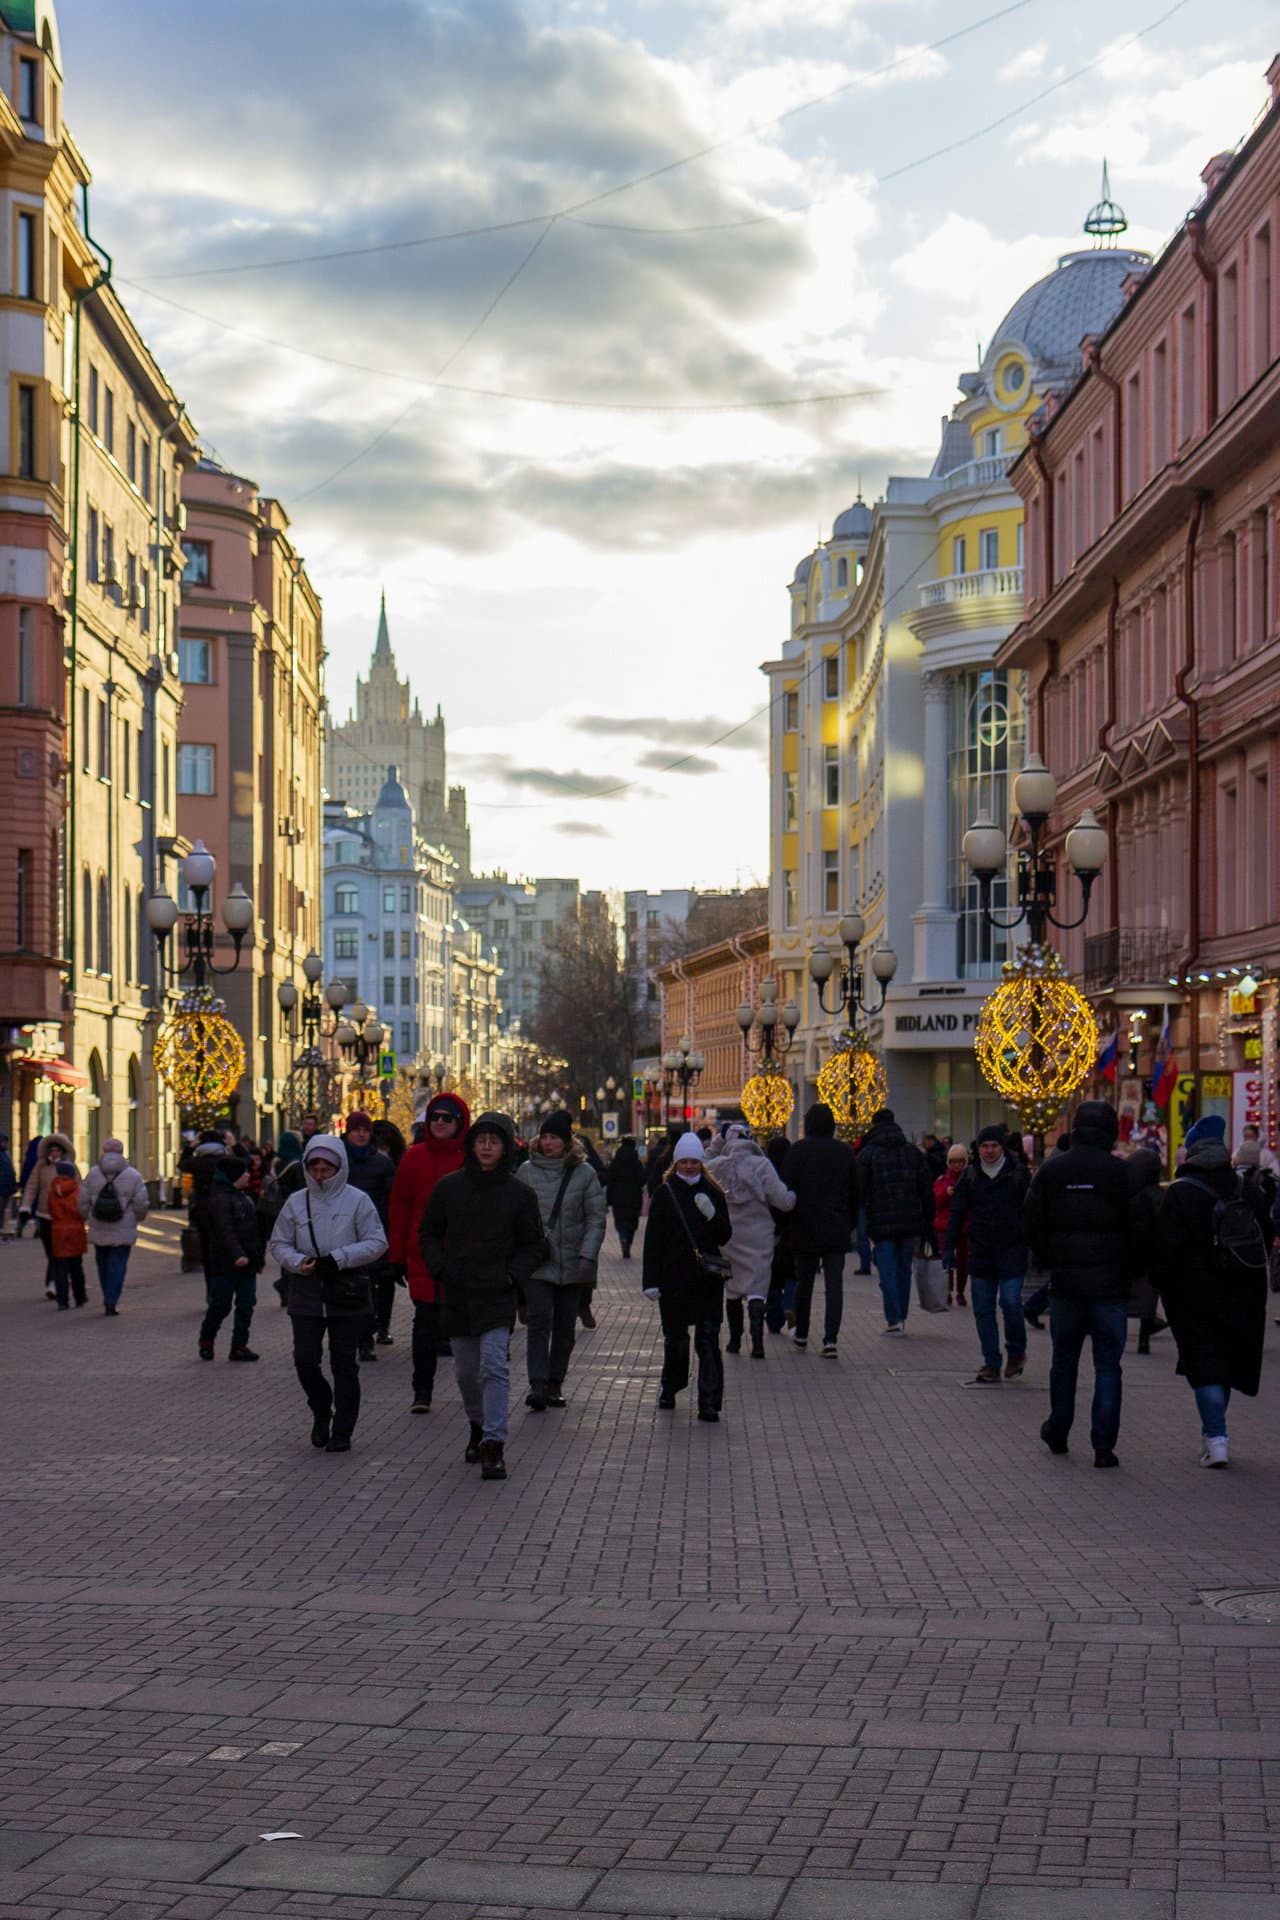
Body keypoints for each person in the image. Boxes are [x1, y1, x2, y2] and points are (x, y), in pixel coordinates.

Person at [420, 1110, 545, 1479]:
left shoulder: (519, 1194)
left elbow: (534, 1246)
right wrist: (439, 1267)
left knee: (494, 1366)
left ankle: (494, 1444)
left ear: (506, 1147)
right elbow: (428, 1232)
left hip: (496, 1293)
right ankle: (477, 1422)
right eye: (481, 1140)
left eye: (495, 1141)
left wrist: (512, 1277)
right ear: (471, 1145)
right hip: (458, 1291)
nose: (487, 1147)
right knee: (464, 1372)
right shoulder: (449, 1188)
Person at [1023, 1100, 1134, 1468]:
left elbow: (1032, 1220)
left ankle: (1058, 1429)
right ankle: (1104, 1445)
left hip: (1067, 1282)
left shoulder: (1053, 1170)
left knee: (1064, 1360)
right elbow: (1140, 1227)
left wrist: (1050, 1258)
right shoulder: (1121, 1174)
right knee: (1108, 1365)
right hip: (1110, 1285)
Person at [1153, 1137, 1272, 1468]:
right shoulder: (1246, 1188)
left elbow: (1165, 1248)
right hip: (1243, 1289)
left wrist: (1163, 1288)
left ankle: (1216, 1438)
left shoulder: (1180, 1191)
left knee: (1204, 1364)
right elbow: (1265, 1229)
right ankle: (1213, 1435)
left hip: (1194, 1293)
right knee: (1228, 1363)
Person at [270, 1135, 389, 1452]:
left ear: (339, 1167)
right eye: (315, 1168)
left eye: (327, 1168)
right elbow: (279, 1242)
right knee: (305, 1361)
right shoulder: (296, 1202)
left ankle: (343, 1430)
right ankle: (321, 1409)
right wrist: (298, 1262)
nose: (321, 1174)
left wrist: (340, 1258)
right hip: (307, 1291)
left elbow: (377, 1242)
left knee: (344, 1365)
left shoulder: (358, 1200)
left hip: (346, 1290)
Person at [515, 1110, 607, 1409]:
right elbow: (515, 1216)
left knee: (565, 1327)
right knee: (539, 1321)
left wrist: (587, 1255)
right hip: (538, 1263)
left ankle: (555, 1383)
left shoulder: (584, 1173)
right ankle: (538, 1384)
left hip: (572, 1263)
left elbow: (595, 1218)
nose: (548, 1142)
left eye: (554, 1137)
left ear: (567, 1142)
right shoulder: (526, 1171)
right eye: (544, 1136)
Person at [387, 1092, 471, 1414]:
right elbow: (399, 1209)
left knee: (461, 1327)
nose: (438, 1123)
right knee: (424, 1324)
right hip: (422, 1256)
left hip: (462, 1259)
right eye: (434, 1117)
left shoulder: (471, 1158)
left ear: (459, 1123)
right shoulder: (413, 1158)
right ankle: (422, 1390)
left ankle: (470, 1390)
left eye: (446, 1118)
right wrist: (396, 1257)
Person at [641, 1132, 732, 1420]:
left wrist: (711, 1214)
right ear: (676, 1163)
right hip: (674, 1278)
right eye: (684, 1162)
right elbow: (653, 1241)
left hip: (707, 1279)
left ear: (701, 1163)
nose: (689, 1167)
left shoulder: (713, 1192)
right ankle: (671, 1386)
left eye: (694, 1161)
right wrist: (651, 1281)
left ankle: (709, 1400)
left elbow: (724, 1234)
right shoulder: (665, 1194)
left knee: (708, 1338)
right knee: (675, 1338)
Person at [943, 1126, 1030, 1384]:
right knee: (983, 1308)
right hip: (980, 1252)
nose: (989, 1151)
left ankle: (1016, 1352)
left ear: (1003, 1148)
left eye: (994, 1146)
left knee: (1011, 1302)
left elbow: (1034, 1211)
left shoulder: (1018, 1175)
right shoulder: (970, 1177)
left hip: (1012, 1250)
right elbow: (957, 1213)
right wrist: (948, 1248)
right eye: (985, 1146)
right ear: (977, 1149)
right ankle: (992, 1361)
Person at [779, 1104, 858, 1354]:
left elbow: (785, 1189)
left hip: (803, 1226)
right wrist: (850, 1222)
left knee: (804, 1283)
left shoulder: (797, 1151)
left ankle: (802, 1333)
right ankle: (830, 1339)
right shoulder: (844, 1152)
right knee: (834, 1284)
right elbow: (856, 1191)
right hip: (836, 1226)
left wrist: (785, 1225)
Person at [711, 1124, 795, 1359]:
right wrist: (793, 1197)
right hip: (758, 1235)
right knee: (758, 1285)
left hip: (729, 1236)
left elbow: (699, 1170)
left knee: (733, 1287)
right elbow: (782, 1200)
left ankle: (735, 1341)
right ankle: (757, 1343)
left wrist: (716, 1145)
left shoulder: (718, 1166)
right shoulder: (762, 1165)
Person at [856, 1106, 934, 1336]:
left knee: (887, 1269)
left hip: (880, 1221)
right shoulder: (913, 1153)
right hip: (910, 1220)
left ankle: (894, 1318)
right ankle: (902, 1314)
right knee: (904, 1269)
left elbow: (859, 1191)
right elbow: (925, 1189)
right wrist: (927, 1219)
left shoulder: (868, 1154)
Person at [194, 1154, 263, 1361]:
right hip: (225, 1263)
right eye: (244, 1172)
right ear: (234, 1176)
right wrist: (237, 1254)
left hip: (247, 1263)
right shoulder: (220, 1199)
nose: (248, 1175)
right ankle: (207, 1339)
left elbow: (254, 1230)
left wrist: (256, 1256)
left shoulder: (243, 1196)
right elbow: (225, 1231)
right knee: (221, 1304)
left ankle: (239, 1345)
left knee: (246, 1303)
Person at [341, 1110, 397, 1361]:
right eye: (356, 1130)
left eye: (365, 1130)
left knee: (369, 1289)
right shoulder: (338, 1159)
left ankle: (366, 1341)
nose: (361, 1134)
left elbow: (391, 1200)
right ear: (348, 1132)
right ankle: (347, 1337)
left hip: (372, 1233)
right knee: (344, 1288)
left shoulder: (382, 1163)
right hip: (342, 1233)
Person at [78, 1137, 150, 1315]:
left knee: (102, 1263)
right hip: (123, 1226)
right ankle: (112, 1300)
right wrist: (137, 1218)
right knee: (118, 1264)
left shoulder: (93, 1173)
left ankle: (106, 1295)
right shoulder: (133, 1175)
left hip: (98, 1224)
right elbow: (141, 1202)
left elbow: (82, 1201)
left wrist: (85, 1217)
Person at [1125, 1149, 1169, 1354]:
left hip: (1135, 1255)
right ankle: (1145, 1337)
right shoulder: (1162, 1196)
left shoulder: (1131, 1197)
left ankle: (1141, 1335)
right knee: (1149, 1298)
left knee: (1132, 1296)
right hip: (1156, 1256)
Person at [21, 1131, 75, 1298]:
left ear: (63, 1152)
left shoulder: (69, 1167)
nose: (54, 1153)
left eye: (57, 1150)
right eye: (51, 1150)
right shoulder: (41, 1166)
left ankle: (53, 1283)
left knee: (57, 1251)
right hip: (44, 1215)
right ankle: (57, 1280)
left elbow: (78, 1189)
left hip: (63, 1216)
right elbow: (31, 1187)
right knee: (50, 1251)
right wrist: (25, 1207)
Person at [47, 1158, 88, 1308]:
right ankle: (80, 1297)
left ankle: (62, 1301)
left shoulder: (53, 1191)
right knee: (76, 1267)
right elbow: (82, 1211)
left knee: (60, 1269)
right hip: (75, 1231)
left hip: (58, 1231)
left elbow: (50, 1209)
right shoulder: (77, 1190)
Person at [933, 1144, 970, 1307]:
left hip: (964, 1227)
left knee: (963, 1262)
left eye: (960, 1162)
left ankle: (960, 1292)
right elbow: (935, 1202)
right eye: (953, 1162)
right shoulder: (942, 1181)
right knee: (946, 1260)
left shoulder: (969, 1179)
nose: (957, 1165)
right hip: (945, 1227)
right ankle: (947, 1291)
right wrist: (945, 1194)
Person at [604, 1135, 645, 1261]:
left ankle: (623, 1239)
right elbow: (642, 1179)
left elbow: (609, 1180)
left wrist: (609, 1198)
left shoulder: (616, 1162)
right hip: (634, 1197)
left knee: (621, 1221)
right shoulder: (636, 1162)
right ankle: (628, 1243)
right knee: (632, 1223)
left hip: (618, 1197)